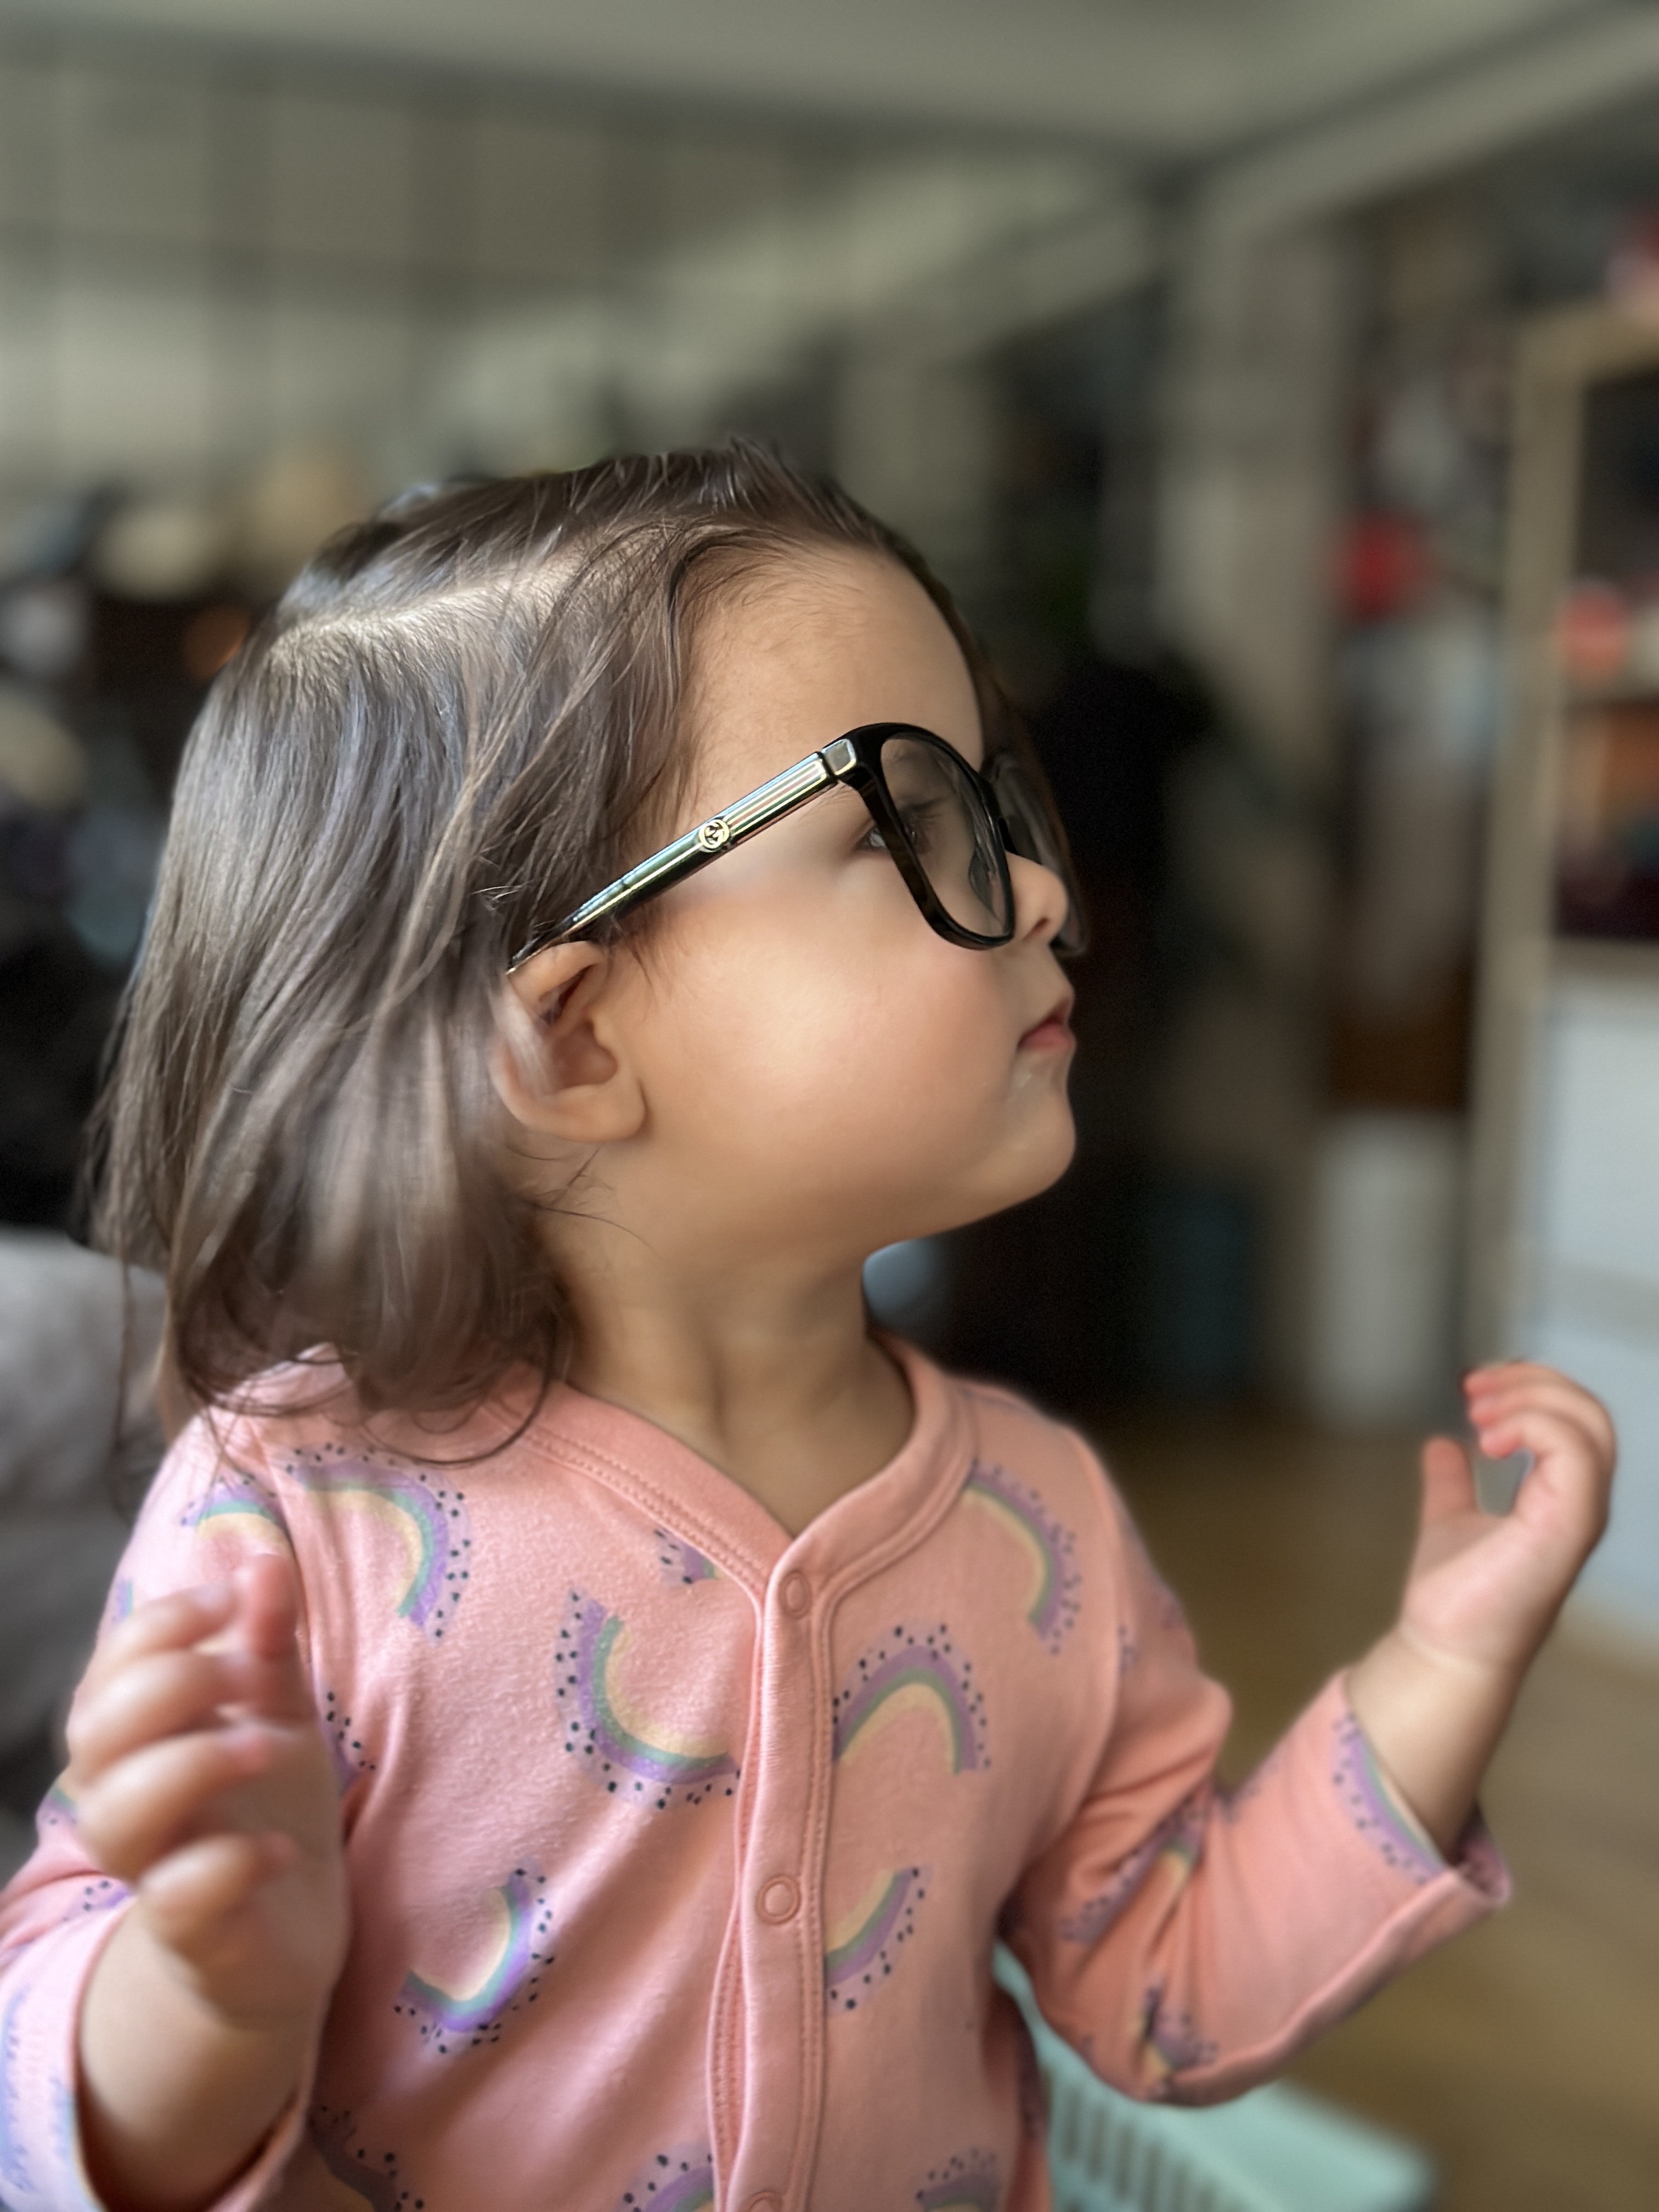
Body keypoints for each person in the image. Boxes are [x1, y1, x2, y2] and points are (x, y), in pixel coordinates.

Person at [0, 447, 1614, 2212]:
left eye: (999, 805)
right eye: (905, 826)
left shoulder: (1037, 1522)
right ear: (578, 1036)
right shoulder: (298, 1522)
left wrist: (1438, 1672)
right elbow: (57, 2066)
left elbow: (1171, 1987)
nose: (1042, 888)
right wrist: (204, 2003)